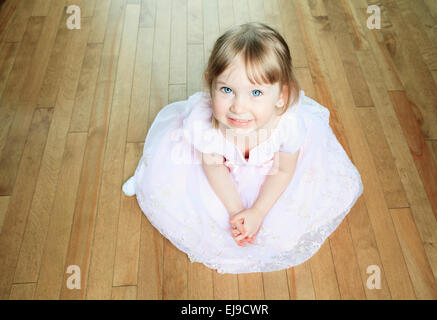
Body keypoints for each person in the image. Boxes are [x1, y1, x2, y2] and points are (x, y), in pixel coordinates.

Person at [122, 22, 363, 274]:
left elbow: (282, 172)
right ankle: (144, 176)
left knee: (289, 219)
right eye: (227, 90)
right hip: (220, 171)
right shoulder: (206, 127)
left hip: (274, 172)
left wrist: (257, 211)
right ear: (211, 85)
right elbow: (214, 168)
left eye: (256, 93)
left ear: (281, 95)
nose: (238, 107)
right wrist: (237, 211)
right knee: (170, 180)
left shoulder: (288, 126)